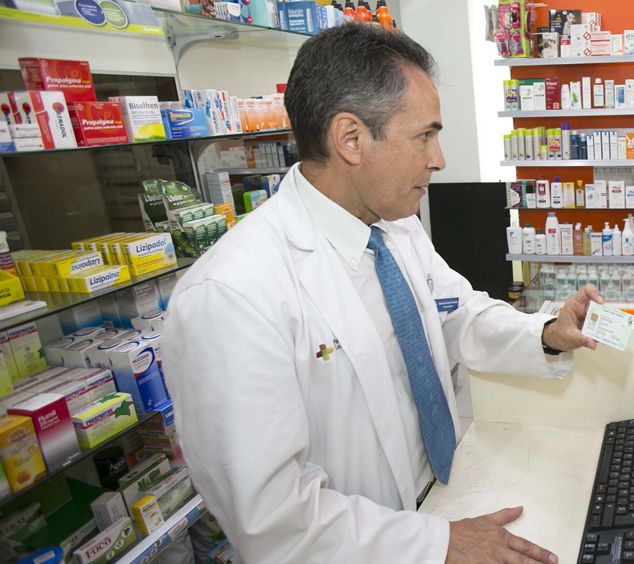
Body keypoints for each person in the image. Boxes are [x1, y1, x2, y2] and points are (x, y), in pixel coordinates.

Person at [163, 26, 597, 563]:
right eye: (424, 136)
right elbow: (273, 519)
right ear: (350, 139)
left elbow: (456, 312)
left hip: (442, 498)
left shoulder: (395, 224)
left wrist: (547, 334)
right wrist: (438, 544)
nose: (439, 159)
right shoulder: (230, 295)